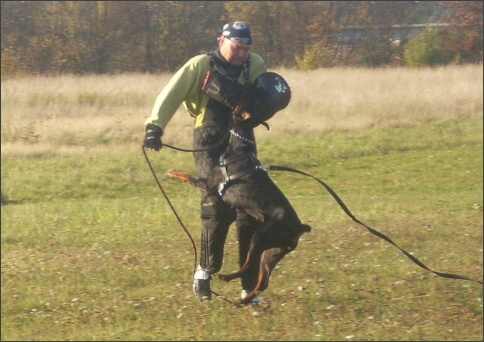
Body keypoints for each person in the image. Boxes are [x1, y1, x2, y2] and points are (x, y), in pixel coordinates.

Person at [143, 21, 267, 302]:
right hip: (208, 139)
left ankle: (249, 287)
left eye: (246, 49)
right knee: (218, 208)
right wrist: (155, 127)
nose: (242, 54)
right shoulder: (201, 64)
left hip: (243, 139)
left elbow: (265, 98)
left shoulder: (255, 64)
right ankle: (204, 272)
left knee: (251, 211)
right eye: (237, 47)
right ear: (221, 41)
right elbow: (170, 94)